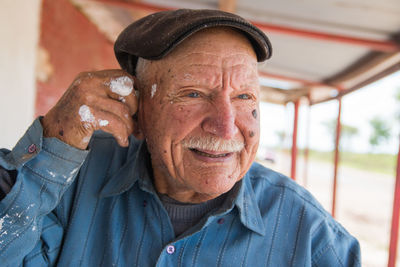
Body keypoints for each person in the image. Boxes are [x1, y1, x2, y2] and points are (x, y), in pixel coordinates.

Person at [0, 9, 360, 266]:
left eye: (244, 97)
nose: (225, 126)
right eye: (192, 94)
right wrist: (54, 141)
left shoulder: (308, 233)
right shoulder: (69, 183)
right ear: (137, 111)